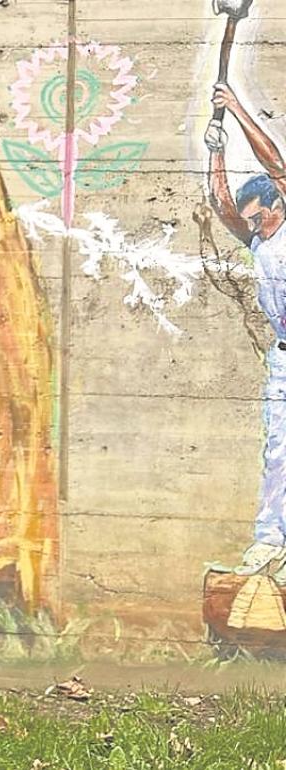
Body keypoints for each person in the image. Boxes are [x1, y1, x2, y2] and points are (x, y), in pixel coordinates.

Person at [208, 82, 286, 583]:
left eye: (258, 217)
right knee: (278, 450)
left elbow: (275, 162)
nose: (251, 226)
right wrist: (216, 154)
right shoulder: (258, 240)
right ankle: (270, 542)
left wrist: (235, 108)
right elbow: (222, 206)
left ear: (276, 203)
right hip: (284, 357)